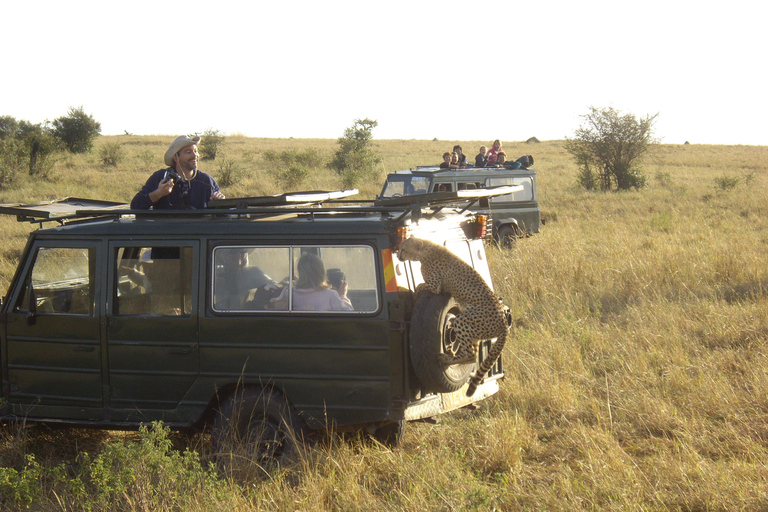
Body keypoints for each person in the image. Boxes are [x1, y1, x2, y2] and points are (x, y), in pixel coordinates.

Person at [131, 135, 225, 210]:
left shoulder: (206, 180)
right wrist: (158, 194)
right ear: (176, 158)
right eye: (188, 152)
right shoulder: (160, 177)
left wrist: (219, 203)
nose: (194, 155)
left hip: (197, 232)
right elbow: (135, 206)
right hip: (166, 232)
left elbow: (221, 214)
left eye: (196, 151)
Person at [214, 248, 278, 310]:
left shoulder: (253, 272)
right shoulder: (215, 272)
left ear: (246, 254)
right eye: (233, 252)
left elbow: (274, 285)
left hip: (244, 315)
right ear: (225, 256)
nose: (238, 255)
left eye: (242, 251)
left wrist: (284, 285)